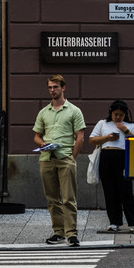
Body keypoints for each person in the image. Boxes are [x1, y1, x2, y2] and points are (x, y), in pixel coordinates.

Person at [33, 74, 86, 247]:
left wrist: (72, 157)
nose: (52, 90)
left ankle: (71, 234)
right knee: (52, 198)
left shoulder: (74, 110)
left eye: (55, 87)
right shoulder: (44, 112)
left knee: (68, 198)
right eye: (50, 87)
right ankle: (58, 232)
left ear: (63, 88)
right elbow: (36, 136)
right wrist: (42, 143)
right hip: (47, 158)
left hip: (65, 158)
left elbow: (80, 137)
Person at [88, 100, 134, 234]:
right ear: (111, 112)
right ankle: (114, 222)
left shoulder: (130, 125)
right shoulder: (102, 123)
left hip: (123, 157)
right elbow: (91, 140)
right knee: (110, 191)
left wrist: (126, 130)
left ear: (125, 115)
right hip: (107, 156)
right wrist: (106, 138)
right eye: (115, 114)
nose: (118, 117)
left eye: (121, 115)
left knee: (126, 191)